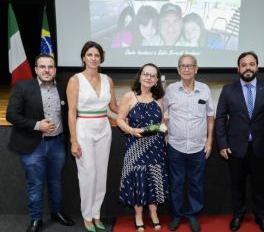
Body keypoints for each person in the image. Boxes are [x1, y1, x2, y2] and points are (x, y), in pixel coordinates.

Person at [215, 51, 264, 232]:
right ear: (238, 68)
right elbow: (220, 118)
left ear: (257, 67)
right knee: (237, 185)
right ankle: (238, 214)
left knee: (260, 185)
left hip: (261, 147)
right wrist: (222, 144)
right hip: (235, 148)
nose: (247, 68)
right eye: (244, 65)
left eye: (251, 64)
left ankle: (261, 215)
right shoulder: (228, 90)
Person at [6, 54, 74, 232]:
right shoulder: (23, 87)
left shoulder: (63, 89)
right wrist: (38, 125)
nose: (46, 70)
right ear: (36, 69)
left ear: (55, 70)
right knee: (35, 184)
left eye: (50, 67)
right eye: (42, 67)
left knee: (56, 181)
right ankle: (36, 219)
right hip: (33, 145)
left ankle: (56, 212)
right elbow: (11, 115)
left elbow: (70, 113)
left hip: (57, 144)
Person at [66, 41, 118, 232]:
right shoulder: (75, 80)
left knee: (101, 174)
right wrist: (74, 140)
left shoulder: (107, 79)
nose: (93, 58)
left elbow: (114, 108)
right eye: (90, 55)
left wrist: (135, 110)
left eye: (97, 55)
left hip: (104, 128)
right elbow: (71, 112)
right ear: (83, 57)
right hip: (83, 128)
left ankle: (96, 214)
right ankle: (87, 215)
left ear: (101, 58)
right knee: (88, 175)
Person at [163, 54, 214, 232]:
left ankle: (192, 215)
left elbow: (210, 116)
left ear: (196, 69)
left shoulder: (205, 89)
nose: (186, 69)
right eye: (183, 66)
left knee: (196, 183)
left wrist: (209, 141)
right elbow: (161, 112)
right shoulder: (170, 90)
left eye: (190, 66)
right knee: (176, 184)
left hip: (198, 146)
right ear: (178, 69)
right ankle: (176, 215)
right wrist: (165, 132)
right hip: (175, 146)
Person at [116, 63, 169, 231]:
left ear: (156, 81)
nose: (148, 77)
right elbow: (119, 119)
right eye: (146, 74)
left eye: (152, 76)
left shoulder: (158, 98)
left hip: (156, 147)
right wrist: (131, 130)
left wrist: (165, 132)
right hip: (136, 146)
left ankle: (154, 213)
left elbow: (160, 123)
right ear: (140, 76)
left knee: (154, 179)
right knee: (138, 180)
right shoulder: (129, 96)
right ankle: (138, 215)